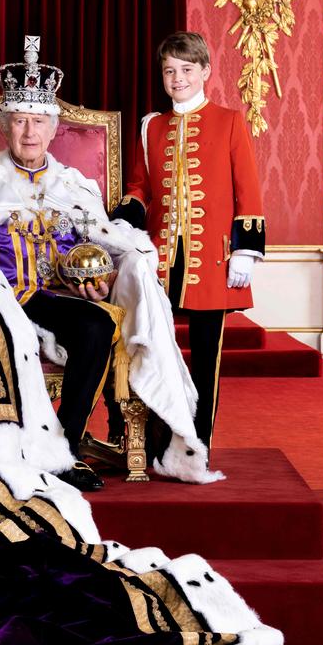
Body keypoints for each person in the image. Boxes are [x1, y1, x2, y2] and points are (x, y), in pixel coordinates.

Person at [0, 36, 214, 491]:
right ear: (5, 128)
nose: (30, 133)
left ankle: (63, 450)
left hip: (48, 296)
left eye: (39, 123)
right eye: (21, 122)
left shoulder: (75, 185)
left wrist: (99, 281)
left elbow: (104, 248)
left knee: (95, 325)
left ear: (54, 130)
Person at [116, 31, 265, 452]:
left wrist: (246, 250)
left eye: (185, 69)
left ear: (205, 72)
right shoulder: (152, 127)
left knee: (205, 359)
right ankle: (157, 440)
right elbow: (140, 186)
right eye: (169, 71)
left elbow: (247, 190)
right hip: (160, 260)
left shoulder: (230, 120)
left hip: (213, 262)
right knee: (158, 354)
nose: (177, 78)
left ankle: (199, 444)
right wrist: (128, 210)